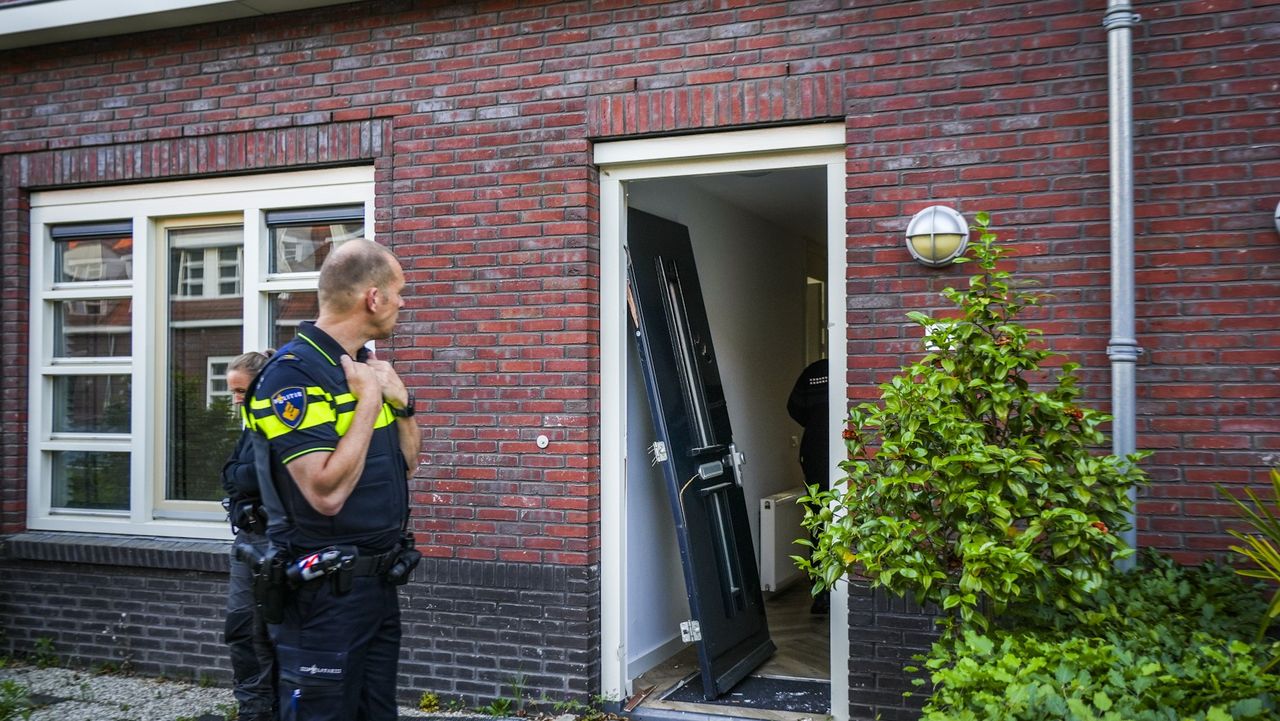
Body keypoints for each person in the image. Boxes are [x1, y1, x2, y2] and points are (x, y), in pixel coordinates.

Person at [245, 238, 421, 721]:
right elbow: (326, 492)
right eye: (399, 291)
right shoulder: (292, 377)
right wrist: (368, 401)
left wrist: (400, 403)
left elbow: (407, 464)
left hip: (377, 587)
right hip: (323, 598)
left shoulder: (367, 367)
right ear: (373, 297)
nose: (403, 302)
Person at [222, 349, 278, 721]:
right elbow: (230, 476)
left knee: (274, 633)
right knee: (241, 628)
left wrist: (242, 481)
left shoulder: (280, 422)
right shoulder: (249, 426)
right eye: (233, 393)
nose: (237, 399)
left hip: (277, 543)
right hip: (247, 542)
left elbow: (255, 475)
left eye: (242, 391)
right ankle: (253, 710)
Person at [787, 357, 829, 613]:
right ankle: (825, 591)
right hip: (823, 453)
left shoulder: (814, 371)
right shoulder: (849, 365)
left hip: (814, 451)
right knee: (824, 520)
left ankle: (821, 592)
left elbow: (794, 408)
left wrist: (816, 423)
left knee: (818, 520)